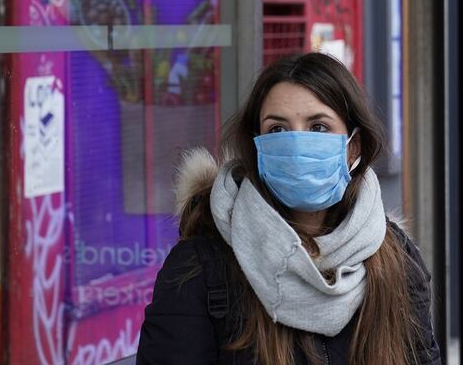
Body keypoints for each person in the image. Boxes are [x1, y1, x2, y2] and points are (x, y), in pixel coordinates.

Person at [136, 52, 441, 365]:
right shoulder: (202, 266)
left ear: (353, 146)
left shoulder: (394, 257)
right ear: (257, 147)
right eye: (278, 130)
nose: (296, 144)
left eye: (318, 127)